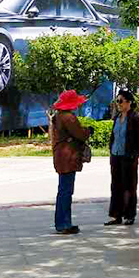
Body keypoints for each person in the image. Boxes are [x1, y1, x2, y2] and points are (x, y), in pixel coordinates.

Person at [49, 89, 91, 235]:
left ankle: (61, 223)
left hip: (61, 157)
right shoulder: (68, 117)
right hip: (68, 158)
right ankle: (64, 224)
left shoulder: (58, 116)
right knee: (66, 191)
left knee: (63, 191)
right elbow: (80, 134)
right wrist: (88, 131)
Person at [105, 90, 139, 226]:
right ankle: (116, 215)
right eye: (117, 101)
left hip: (128, 157)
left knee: (129, 187)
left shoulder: (136, 118)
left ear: (129, 102)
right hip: (116, 156)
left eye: (120, 101)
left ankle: (129, 215)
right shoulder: (117, 118)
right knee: (115, 186)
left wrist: (135, 153)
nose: (118, 104)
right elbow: (114, 136)